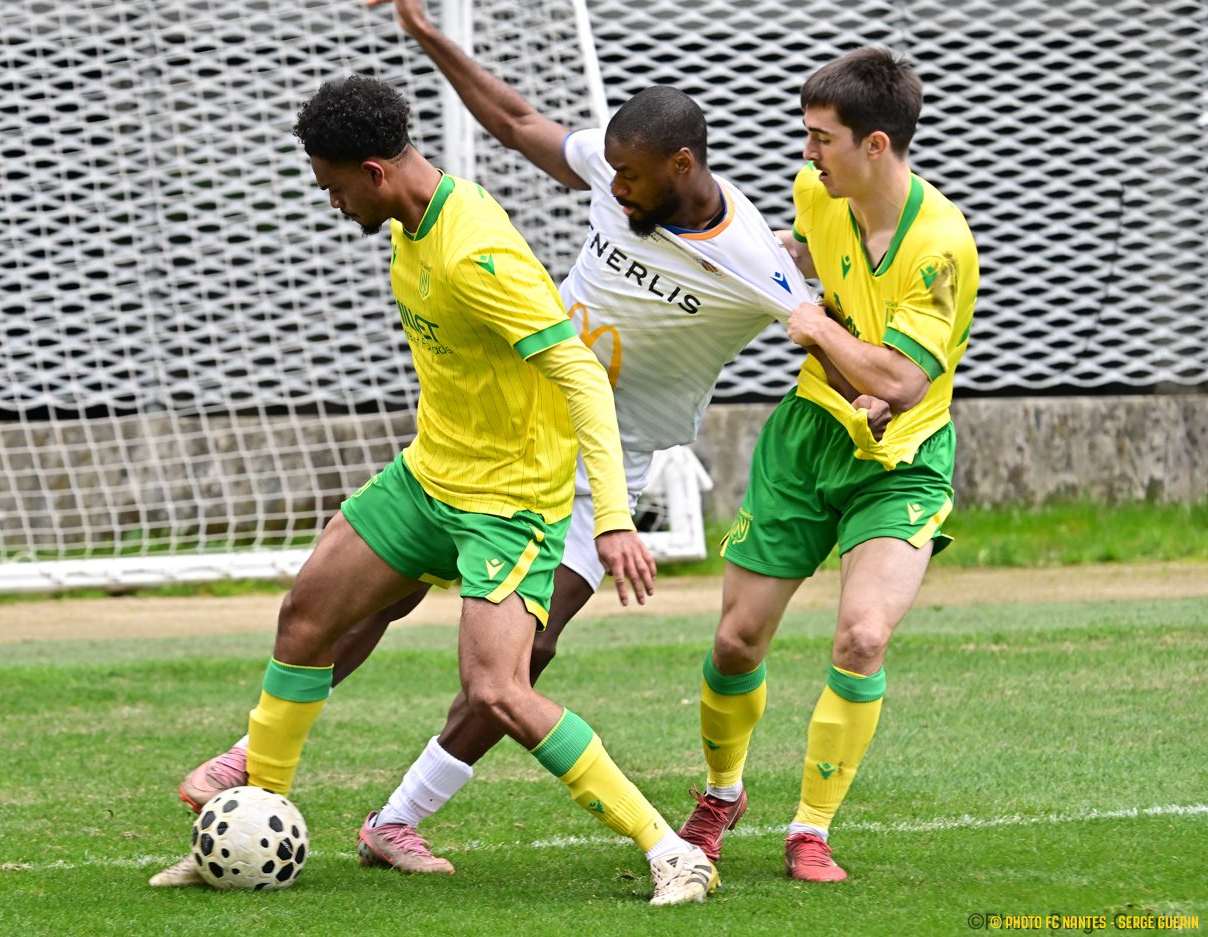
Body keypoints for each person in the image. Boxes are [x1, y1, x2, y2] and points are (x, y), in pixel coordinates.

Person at [156, 0, 890, 882]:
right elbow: (513, 121)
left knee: (517, 665)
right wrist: (427, 35)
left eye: (630, 178)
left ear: (681, 166)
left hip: (590, 468)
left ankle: (400, 817)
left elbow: (835, 343)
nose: (612, 190)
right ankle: (258, 758)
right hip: (505, 432)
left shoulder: (751, 258)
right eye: (611, 173)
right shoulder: (617, 176)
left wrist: (869, 392)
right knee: (368, 596)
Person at [151, 73, 719, 905]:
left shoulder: (476, 251)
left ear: (375, 172)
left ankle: (671, 852)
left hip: (509, 501)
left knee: (498, 689)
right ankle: (250, 818)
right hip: (429, 475)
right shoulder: (407, 223)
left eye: (335, 187)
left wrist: (611, 517)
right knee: (306, 615)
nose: (332, 203)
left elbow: (581, 378)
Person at [676, 47, 979, 883]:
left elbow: (904, 382)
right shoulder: (819, 193)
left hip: (902, 461)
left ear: (876, 145)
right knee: (736, 641)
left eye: (822, 138)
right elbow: (807, 251)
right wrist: (735, 261)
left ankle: (810, 828)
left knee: (863, 635)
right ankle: (722, 794)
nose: (806, 153)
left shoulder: (941, 246)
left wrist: (815, 327)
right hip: (809, 437)